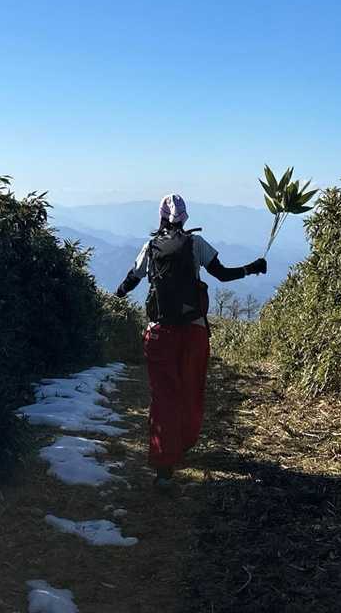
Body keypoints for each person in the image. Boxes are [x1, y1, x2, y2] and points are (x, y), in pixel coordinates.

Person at [114, 192, 267, 486]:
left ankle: (164, 466)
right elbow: (222, 275)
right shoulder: (196, 244)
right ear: (185, 218)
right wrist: (253, 267)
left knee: (163, 396)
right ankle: (182, 445)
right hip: (194, 332)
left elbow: (133, 278)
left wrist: (116, 295)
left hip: (159, 333)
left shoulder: (150, 246)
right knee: (191, 392)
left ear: (161, 217)